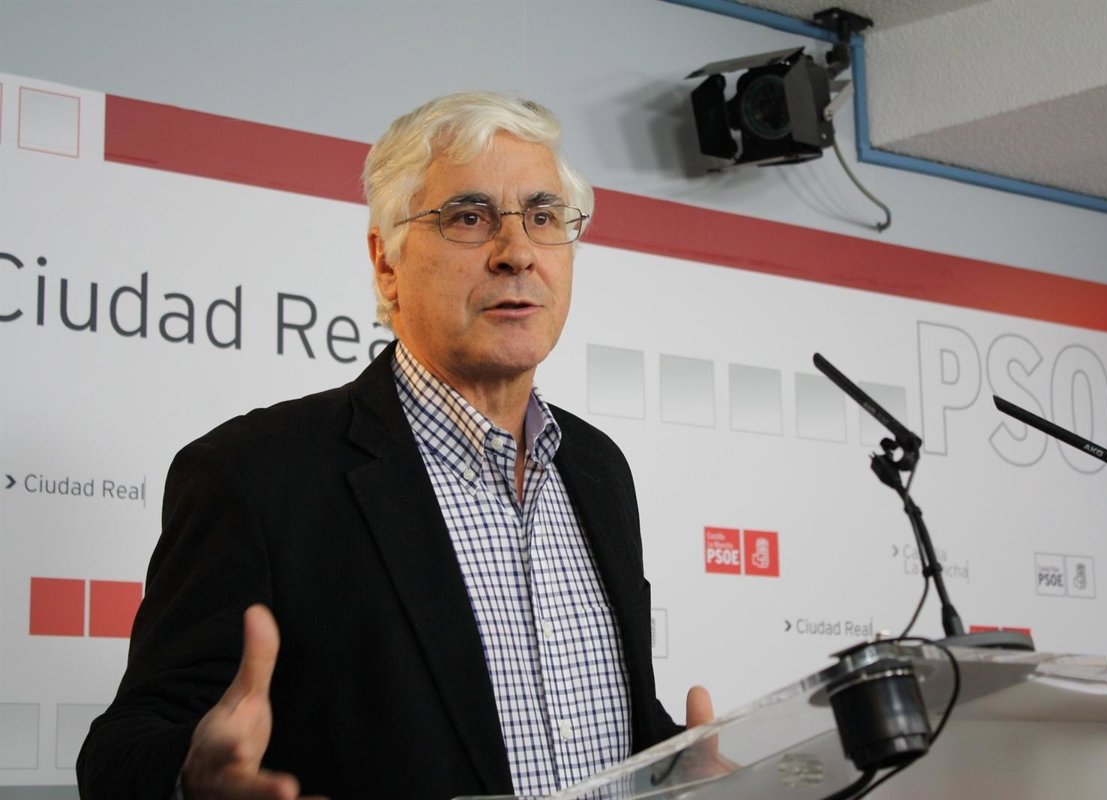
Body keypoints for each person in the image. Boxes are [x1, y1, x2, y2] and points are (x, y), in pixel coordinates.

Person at [77, 92, 711, 800]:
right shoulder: (254, 476)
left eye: (542, 216)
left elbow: (598, 726)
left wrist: (679, 766)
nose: (518, 253)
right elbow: (122, 752)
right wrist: (192, 777)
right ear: (386, 262)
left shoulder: (596, 468)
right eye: (469, 217)